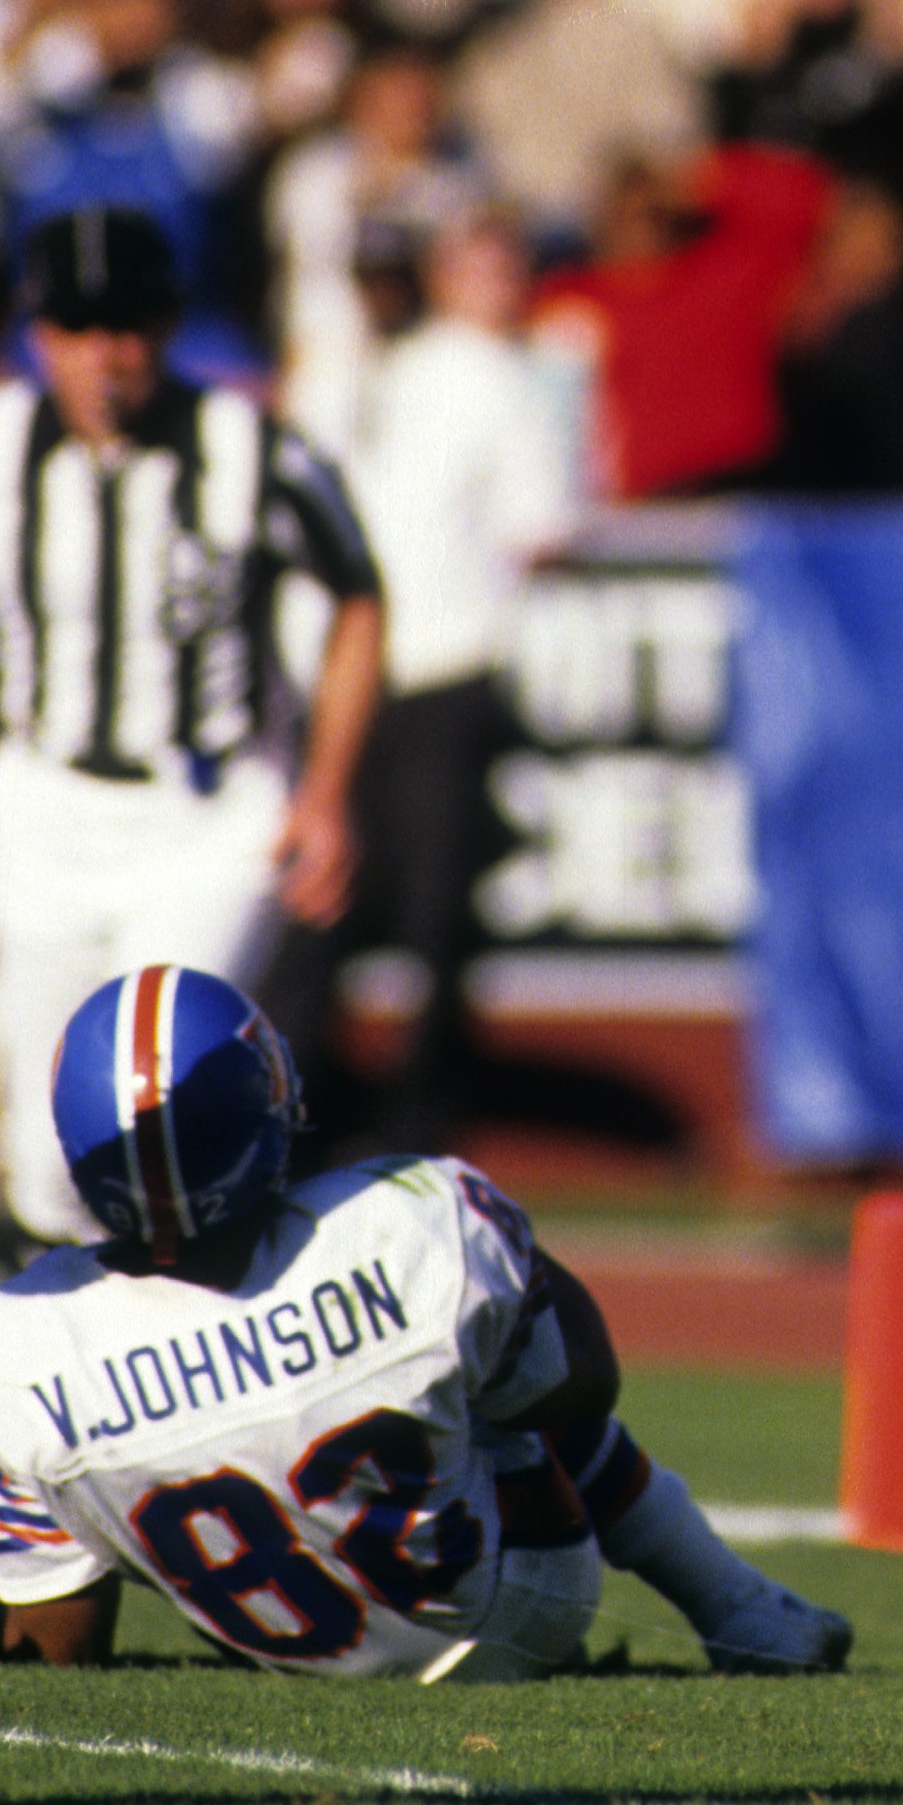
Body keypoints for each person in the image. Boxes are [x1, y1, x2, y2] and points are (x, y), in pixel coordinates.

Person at [0, 962, 851, 1679]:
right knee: (501, 1370)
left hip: (284, 1646)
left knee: (75, 1481)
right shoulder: (410, 1219)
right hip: (511, 1609)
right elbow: (583, 1379)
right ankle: (736, 1608)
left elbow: (60, 1645)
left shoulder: (4, 1347)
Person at [0, 205, 383, 1250]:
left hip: (202, 817)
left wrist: (325, 792)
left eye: (129, 326)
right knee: (48, 1161)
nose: (107, 355)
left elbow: (356, 594)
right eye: (79, 327)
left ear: (167, 329)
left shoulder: (245, 446)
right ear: (37, 334)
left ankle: (210, 1364)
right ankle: (95, 1386)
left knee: (159, 1102)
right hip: (43, 807)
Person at [339, 213, 583, 1144]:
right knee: (430, 906)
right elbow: (544, 524)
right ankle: (412, 1111)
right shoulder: (490, 375)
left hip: (392, 661)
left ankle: (359, 1102)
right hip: (437, 661)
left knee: (374, 897)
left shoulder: (394, 369)